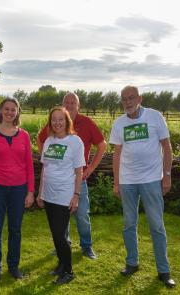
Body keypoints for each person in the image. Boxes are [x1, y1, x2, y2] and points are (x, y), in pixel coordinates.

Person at [109, 85, 176, 288]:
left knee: (156, 225)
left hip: (151, 180)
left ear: (140, 98)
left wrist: (166, 176)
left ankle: (163, 270)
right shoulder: (119, 124)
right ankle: (132, 263)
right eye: (124, 99)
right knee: (129, 223)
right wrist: (116, 181)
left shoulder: (155, 117)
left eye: (131, 98)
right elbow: (117, 154)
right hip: (128, 181)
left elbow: (167, 147)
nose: (127, 102)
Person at [37, 92, 107, 259]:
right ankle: (63, 244)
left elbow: (102, 145)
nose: (69, 105)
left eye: (72, 102)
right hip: (59, 182)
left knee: (82, 214)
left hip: (78, 180)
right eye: (66, 102)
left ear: (78, 106)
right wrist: (47, 158)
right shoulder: (56, 122)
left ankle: (86, 246)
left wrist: (90, 167)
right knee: (62, 217)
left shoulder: (87, 123)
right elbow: (40, 140)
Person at [0, 98, 35, 281]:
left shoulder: (24, 136)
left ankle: (13, 266)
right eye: (7, 109)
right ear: (1, 111)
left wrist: (30, 191)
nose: (10, 112)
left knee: (15, 229)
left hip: (19, 189)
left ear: (17, 112)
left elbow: (29, 165)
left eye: (14, 109)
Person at [37, 107, 85, 285]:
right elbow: (45, 169)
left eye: (60, 119)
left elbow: (79, 171)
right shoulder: (49, 141)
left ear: (67, 121)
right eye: (54, 120)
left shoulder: (75, 141)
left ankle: (69, 271)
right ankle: (61, 264)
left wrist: (76, 195)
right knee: (55, 234)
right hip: (49, 194)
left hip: (64, 195)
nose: (57, 123)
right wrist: (41, 193)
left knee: (60, 235)